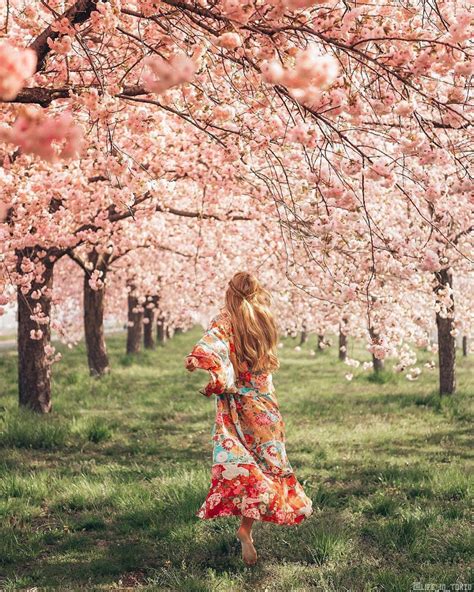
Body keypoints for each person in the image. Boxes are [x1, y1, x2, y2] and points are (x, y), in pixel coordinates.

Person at [185, 271, 313, 565]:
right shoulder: (265, 318)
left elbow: (211, 345)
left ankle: (244, 530)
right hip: (265, 405)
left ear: (230, 293)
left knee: (243, 464)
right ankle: (245, 528)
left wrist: (197, 360)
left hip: (237, 406)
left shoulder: (226, 320)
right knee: (268, 465)